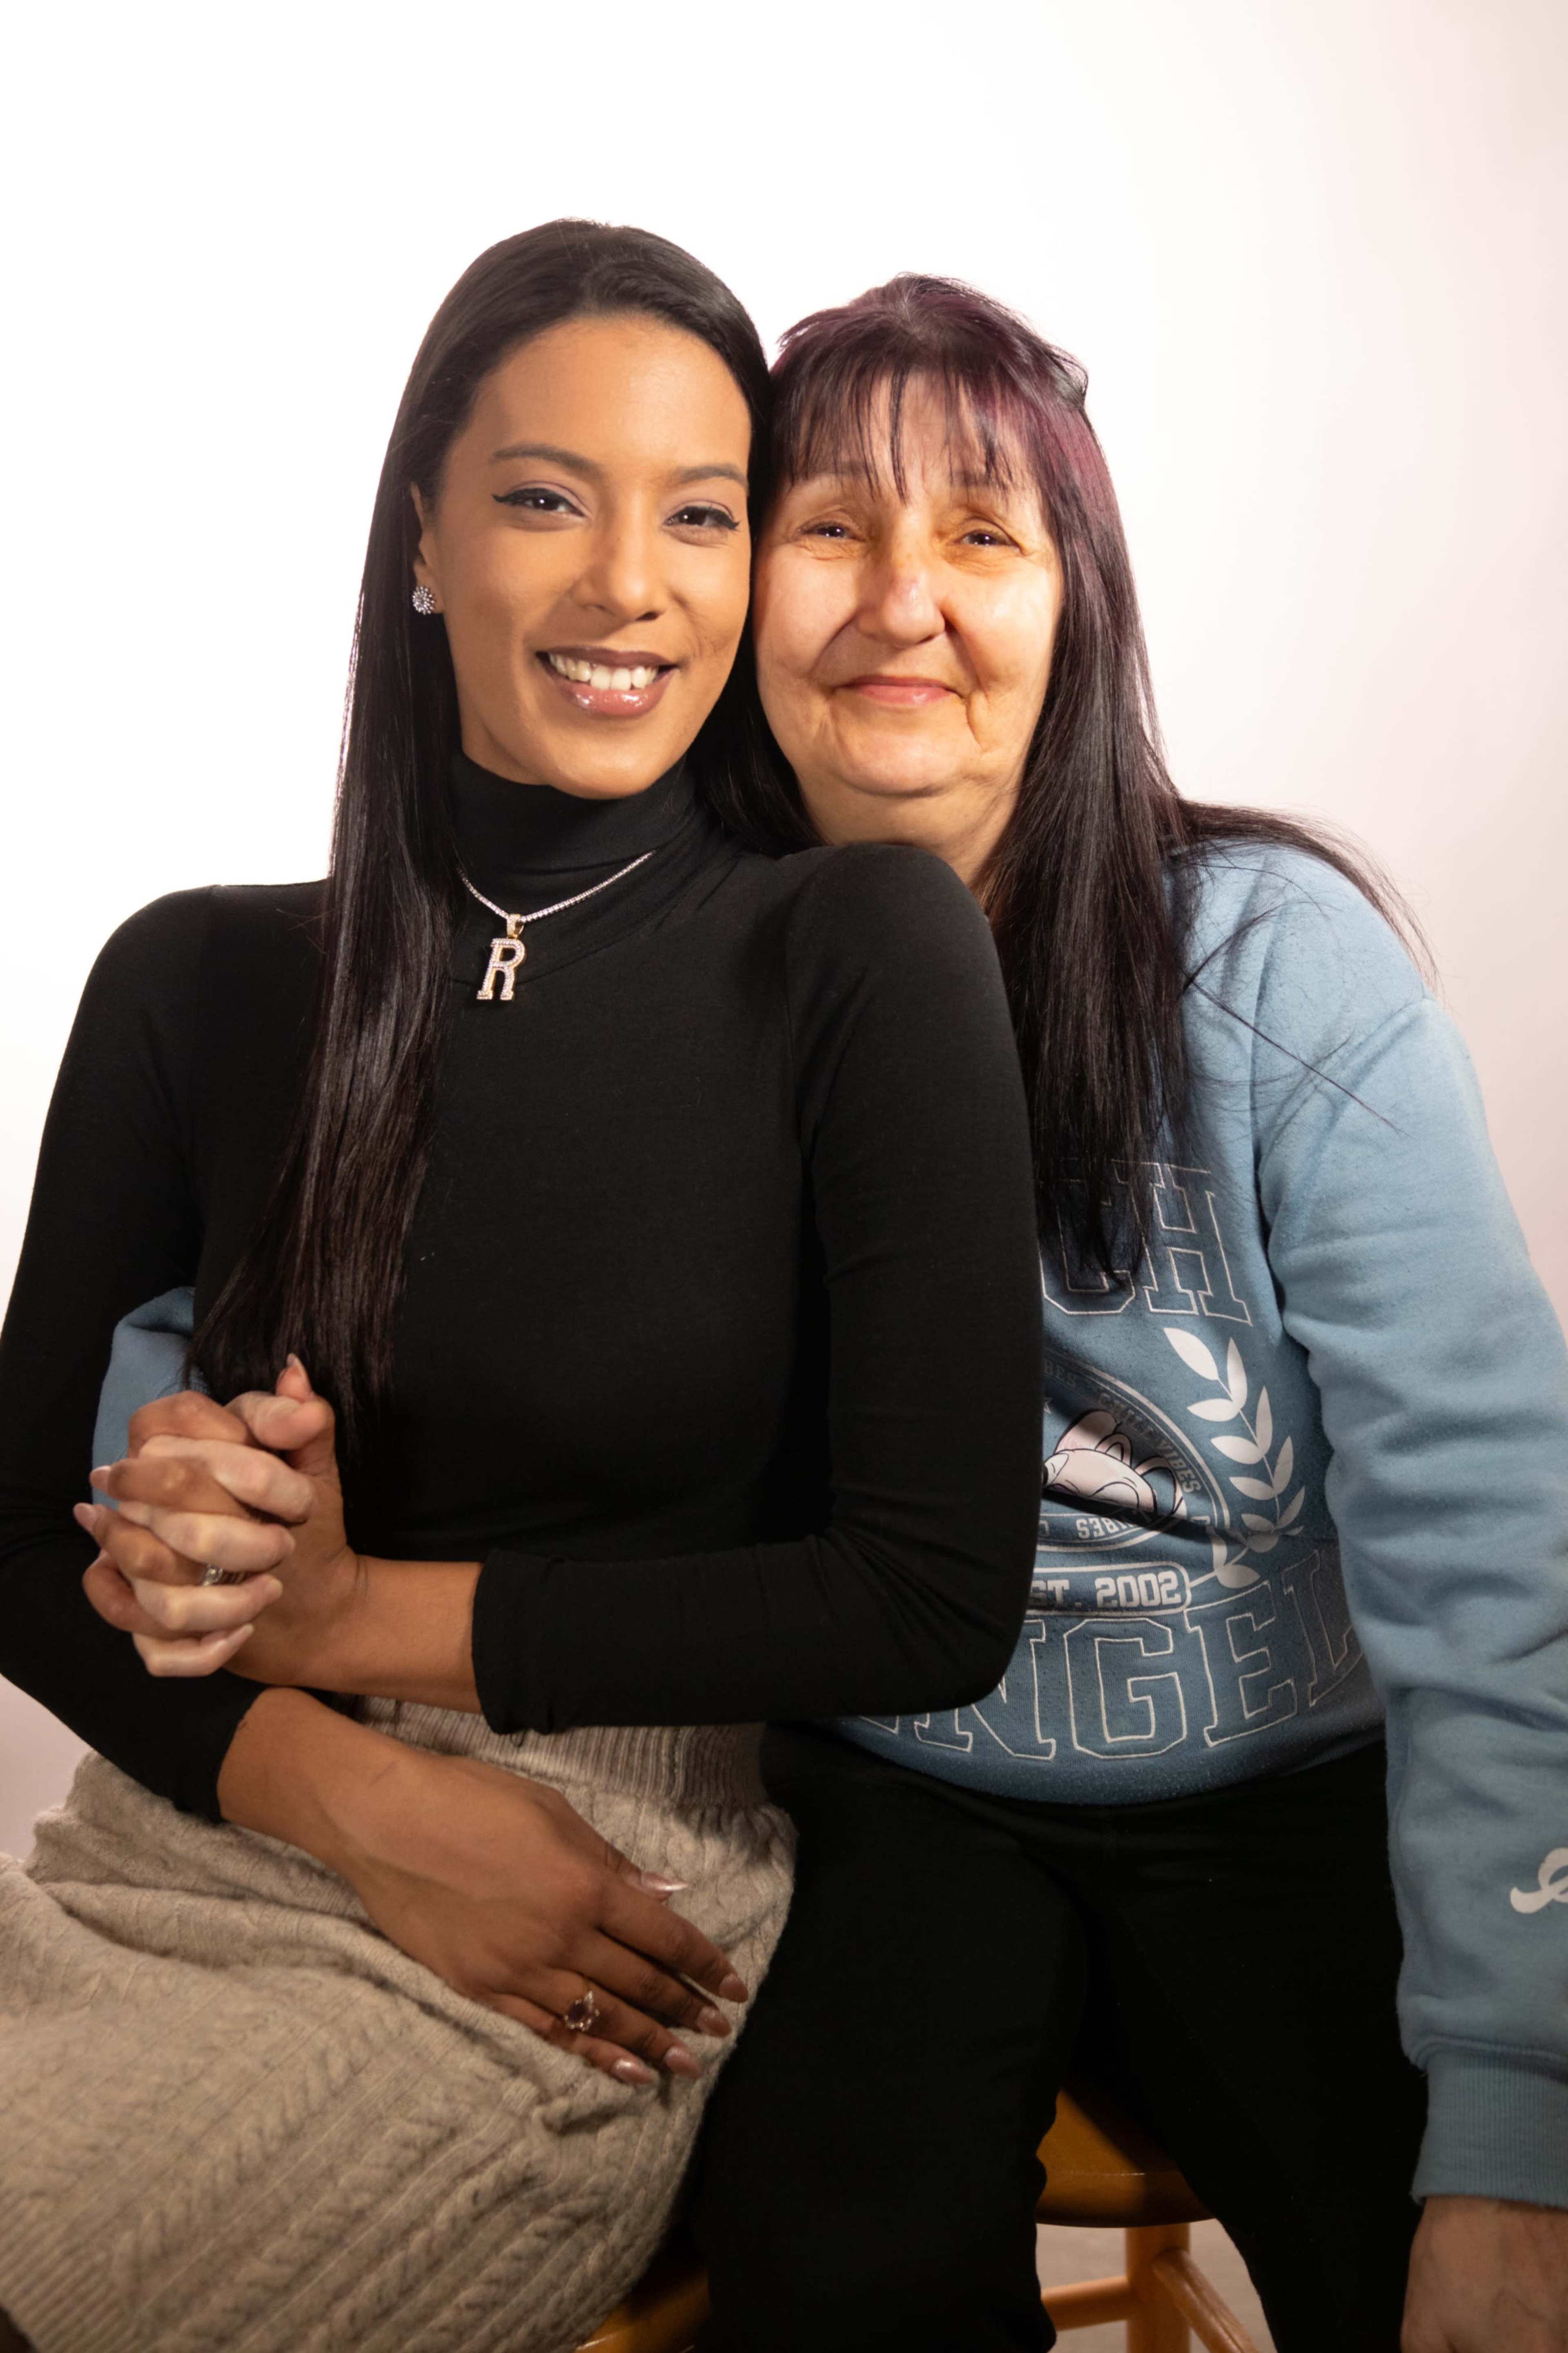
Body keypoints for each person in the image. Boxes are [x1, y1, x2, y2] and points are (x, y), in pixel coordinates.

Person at [0, 228, 1046, 2353]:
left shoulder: (857, 952)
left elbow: (934, 1592)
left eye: (702, 514)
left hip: (586, 1898)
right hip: (186, 1828)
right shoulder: (197, 979)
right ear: (421, 540)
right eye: (548, 498)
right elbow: (18, 1539)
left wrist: (355, 1630)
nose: (627, 584)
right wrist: (337, 1769)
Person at [680, 278, 1568, 2353]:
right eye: (831, 525)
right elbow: (356, 1217)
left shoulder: (1278, 964)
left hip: (1299, 1786)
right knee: (833, 2284)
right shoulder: (675, 975)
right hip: (886, 1789)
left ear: (1077, 605)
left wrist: (1521, 2121)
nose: (903, 599)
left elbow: (1495, 1542)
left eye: (981, 532)